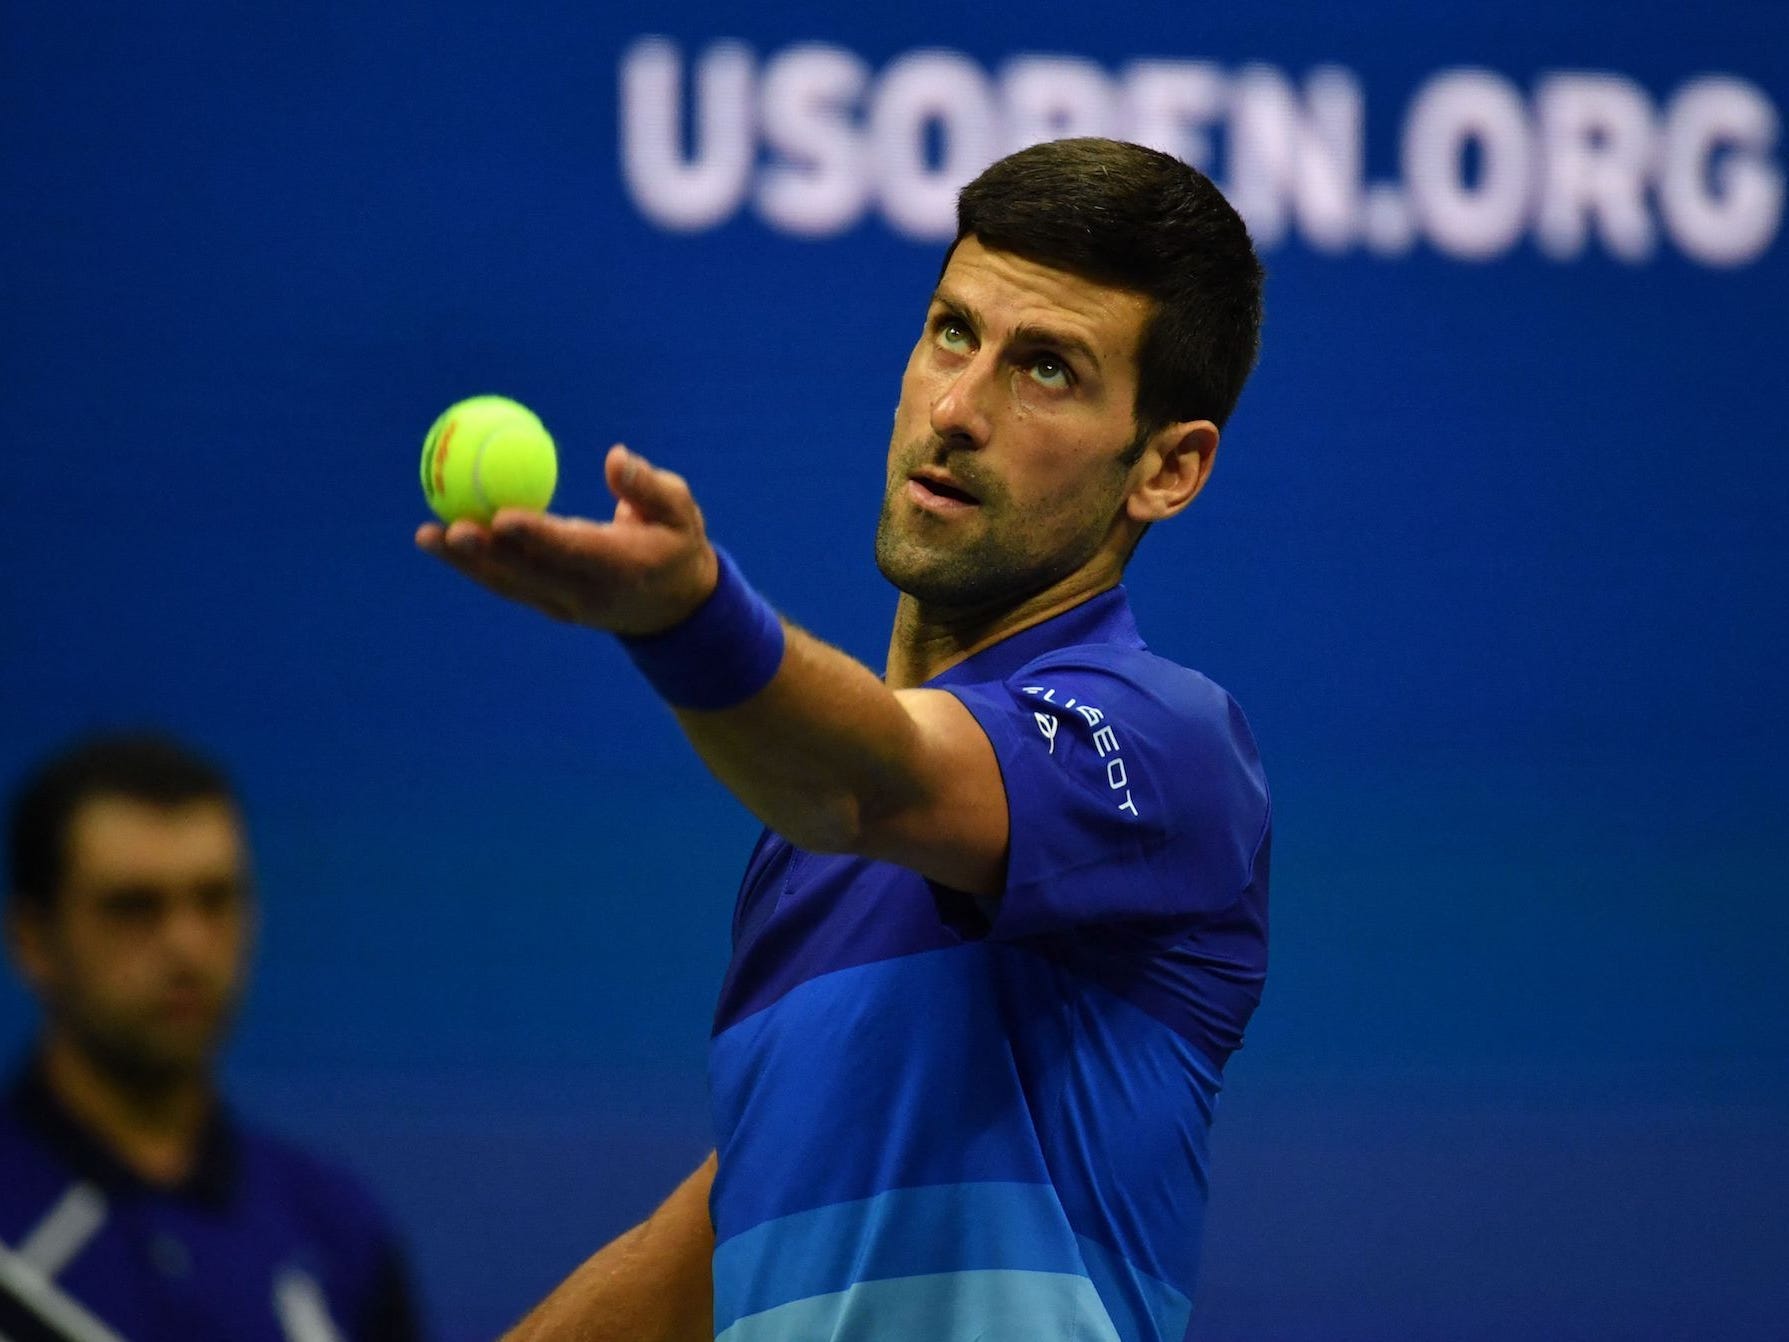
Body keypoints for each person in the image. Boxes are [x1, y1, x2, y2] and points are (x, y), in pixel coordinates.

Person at [422, 136, 1270, 1342]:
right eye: (951, 332)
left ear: (1168, 468)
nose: (960, 407)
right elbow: (724, 1241)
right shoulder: (802, 842)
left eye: (1046, 370)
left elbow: (875, 782)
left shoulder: (1170, 747)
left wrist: (688, 614)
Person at [1, 733, 422, 1342]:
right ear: (33, 939)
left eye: (215, 899)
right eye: (135, 906)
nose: (187, 947)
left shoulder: (334, 1228)